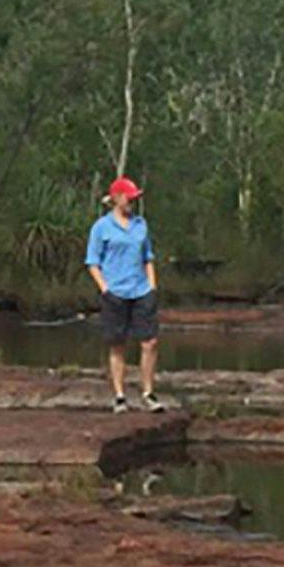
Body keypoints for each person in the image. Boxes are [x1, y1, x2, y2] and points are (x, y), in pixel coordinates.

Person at [85, 174, 163, 412]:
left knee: (150, 342)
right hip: (115, 293)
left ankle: (148, 393)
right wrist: (105, 289)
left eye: (134, 198)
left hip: (141, 290)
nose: (132, 202)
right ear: (117, 198)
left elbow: (148, 257)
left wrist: (152, 285)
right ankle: (119, 396)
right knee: (117, 344)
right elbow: (92, 262)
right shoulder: (101, 227)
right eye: (129, 198)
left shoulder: (141, 224)